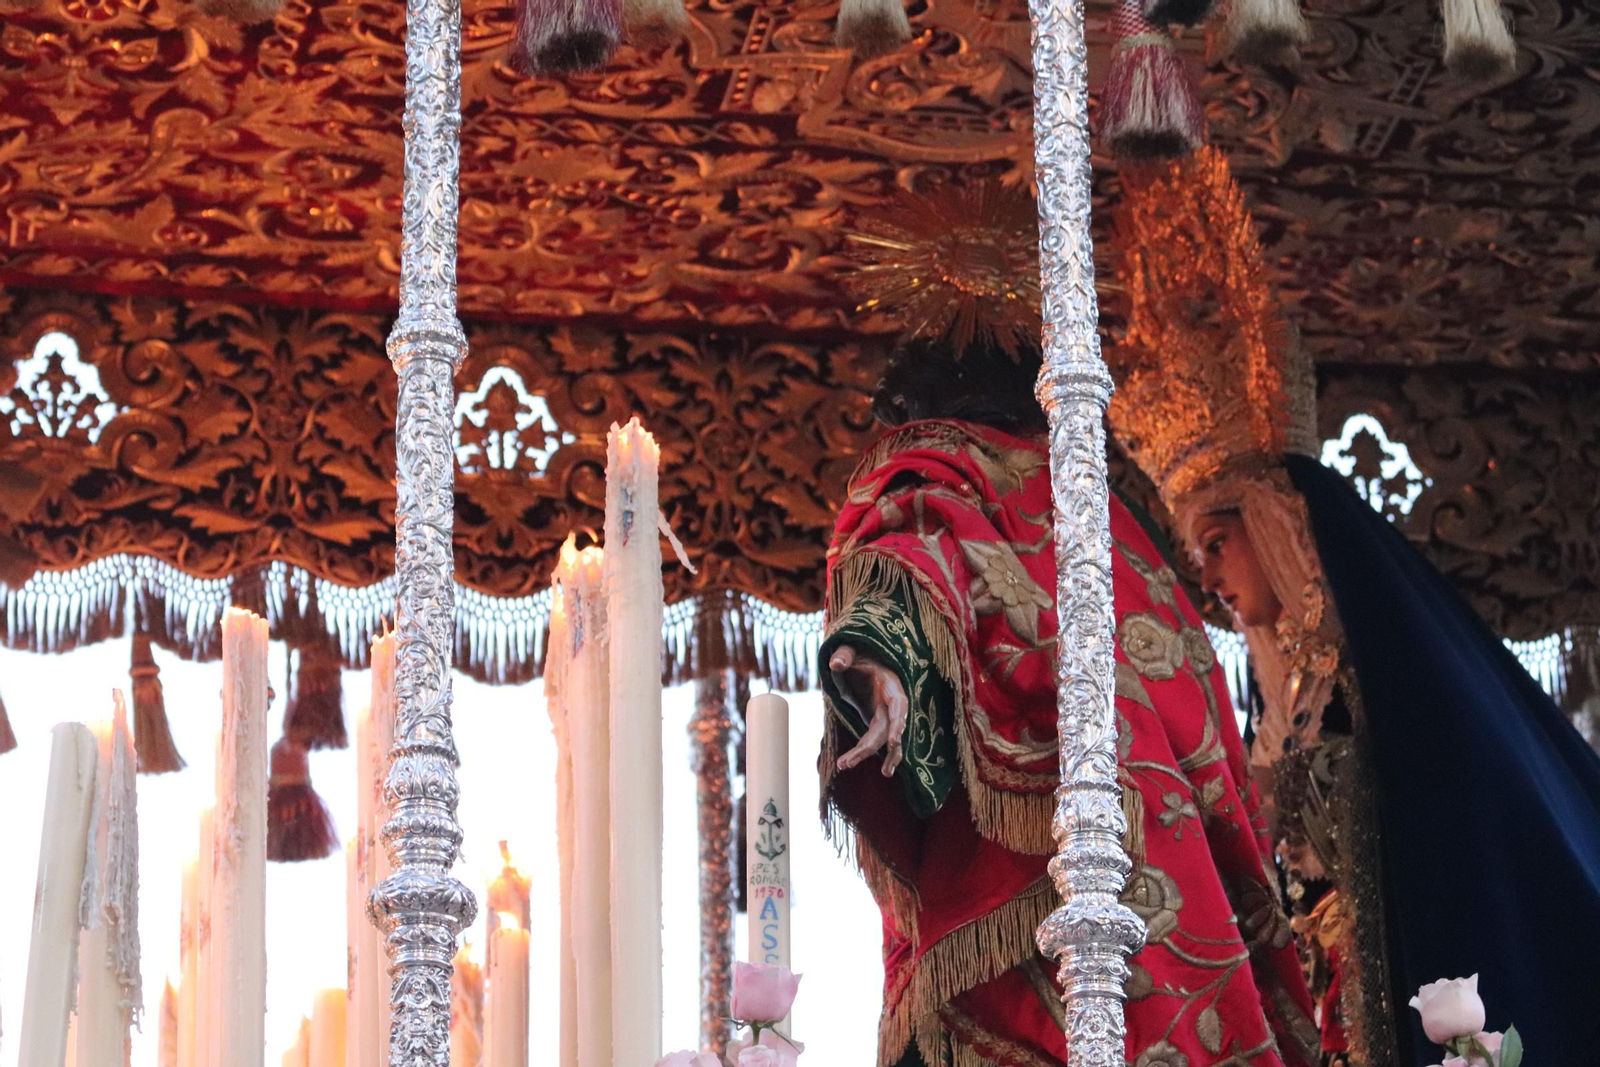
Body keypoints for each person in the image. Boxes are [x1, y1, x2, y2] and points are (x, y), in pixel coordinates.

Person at [1108, 148, 1600, 1065]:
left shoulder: (1381, 672)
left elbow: (1458, 838)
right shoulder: (1283, 704)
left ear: (1277, 520)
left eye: (1218, 543)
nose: (1209, 578)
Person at [819, 337, 1321, 1067]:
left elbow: (909, 558)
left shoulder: (942, 473)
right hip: (1144, 872)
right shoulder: (1105, 522)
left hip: (1021, 888)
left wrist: (878, 664)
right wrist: (885, 665)